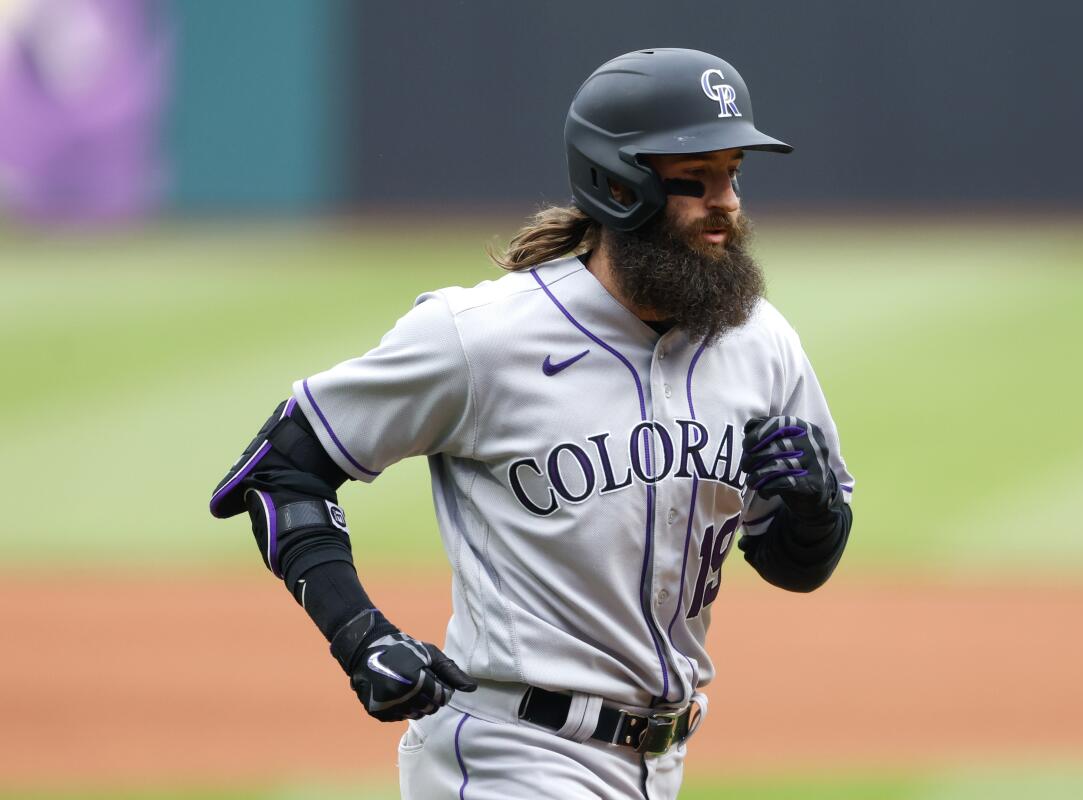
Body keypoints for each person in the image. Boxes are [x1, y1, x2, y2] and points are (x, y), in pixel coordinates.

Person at [210, 47, 853, 800]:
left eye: (734, 175)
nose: (728, 203)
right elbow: (281, 469)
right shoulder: (483, 336)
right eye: (695, 181)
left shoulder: (758, 341)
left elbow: (794, 566)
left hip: (659, 765)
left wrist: (812, 513)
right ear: (619, 186)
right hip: (509, 755)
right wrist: (362, 635)